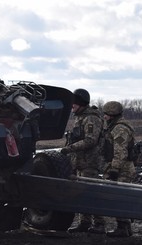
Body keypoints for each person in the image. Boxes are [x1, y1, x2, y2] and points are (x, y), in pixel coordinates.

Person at [61, 88, 106, 234]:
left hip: (90, 163)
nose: (72, 106)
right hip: (80, 162)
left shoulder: (91, 118)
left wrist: (70, 148)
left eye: (74, 103)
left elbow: (90, 140)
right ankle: (84, 223)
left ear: (80, 103)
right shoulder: (79, 117)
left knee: (91, 193)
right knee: (81, 193)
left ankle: (99, 224)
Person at [102, 101, 136, 237]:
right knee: (121, 198)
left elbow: (120, 152)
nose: (104, 117)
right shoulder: (115, 126)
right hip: (123, 167)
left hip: (123, 169)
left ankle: (123, 228)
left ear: (112, 114)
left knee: (119, 198)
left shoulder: (120, 129)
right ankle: (125, 228)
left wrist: (114, 169)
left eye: (106, 114)